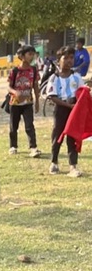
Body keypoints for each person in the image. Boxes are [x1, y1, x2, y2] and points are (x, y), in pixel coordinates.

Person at [47, 46, 84, 177]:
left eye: (71, 58)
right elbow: (53, 96)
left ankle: (73, 166)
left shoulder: (77, 77)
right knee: (57, 135)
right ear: (59, 60)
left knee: (72, 137)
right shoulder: (54, 78)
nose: (69, 61)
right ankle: (54, 162)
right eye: (66, 58)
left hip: (74, 110)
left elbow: (82, 93)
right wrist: (68, 106)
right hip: (62, 109)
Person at [7, 45, 41, 157]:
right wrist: (15, 92)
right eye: (29, 54)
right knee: (13, 126)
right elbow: (9, 87)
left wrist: (37, 101)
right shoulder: (15, 71)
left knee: (29, 125)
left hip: (28, 103)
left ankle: (33, 147)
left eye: (33, 54)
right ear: (22, 56)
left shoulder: (34, 70)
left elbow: (36, 86)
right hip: (15, 103)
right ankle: (13, 146)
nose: (31, 57)